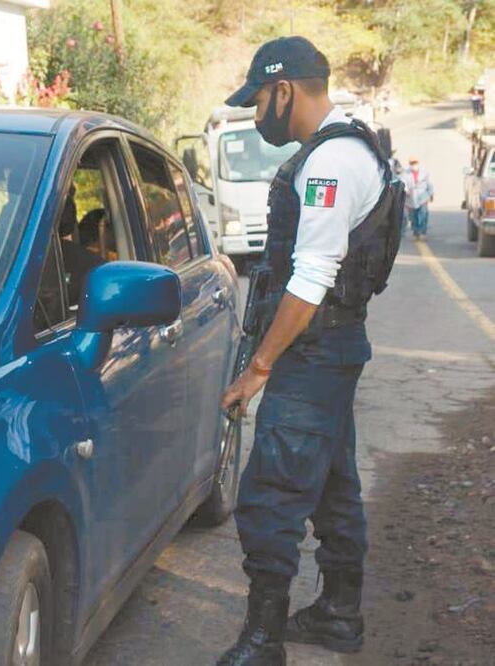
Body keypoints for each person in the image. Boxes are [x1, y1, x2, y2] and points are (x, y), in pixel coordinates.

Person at [217, 37, 400, 665]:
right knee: (332, 483)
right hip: (331, 347)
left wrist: (259, 368)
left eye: (258, 101)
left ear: (284, 90)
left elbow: (312, 276)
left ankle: (263, 641)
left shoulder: (330, 162)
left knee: (272, 491)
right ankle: (339, 614)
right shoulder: (349, 146)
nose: (257, 114)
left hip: (313, 352)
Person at [403, 157, 434, 239]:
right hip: (411, 198)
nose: (414, 165)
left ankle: (423, 231)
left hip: (422, 197)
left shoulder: (424, 173)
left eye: (415, 163)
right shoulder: (405, 174)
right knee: (413, 216)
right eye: (412, 163)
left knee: (423, 214)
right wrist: (406, 191)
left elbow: (429, 184)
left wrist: (431, 194)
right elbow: (404, 184)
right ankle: (416, 232)